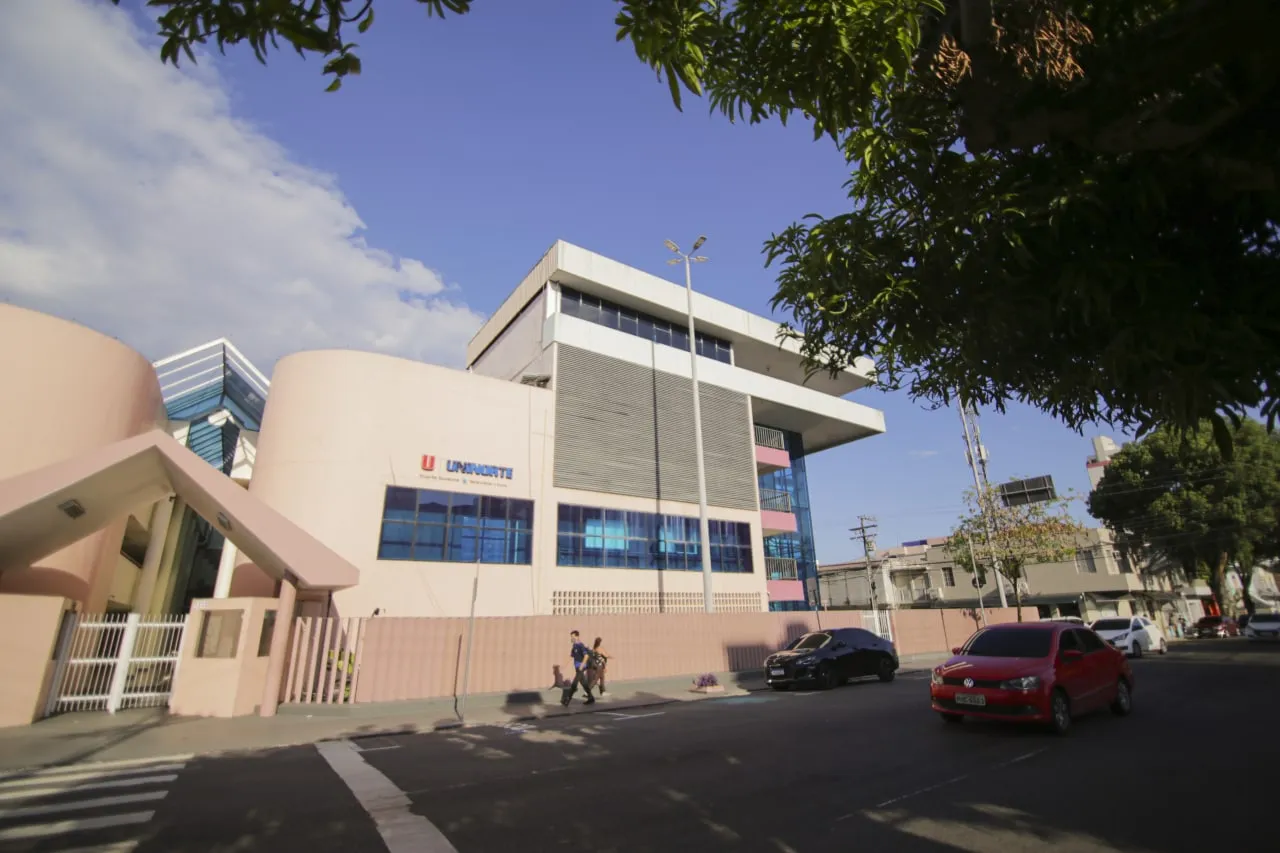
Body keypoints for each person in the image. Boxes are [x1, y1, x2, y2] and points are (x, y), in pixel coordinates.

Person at [560, 630, 595, 706]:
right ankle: (591, 698)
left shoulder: (580, 645)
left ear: (577, 636)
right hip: (577, 667)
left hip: (581, 667)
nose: (572, 638)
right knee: (584, 683)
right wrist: (564, 665)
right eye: (571, 637)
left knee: (574, 683)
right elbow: (571, 656)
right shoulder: (574, 646)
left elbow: (586, 656)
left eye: (573, 637)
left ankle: (567, 700)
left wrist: (582, 665)